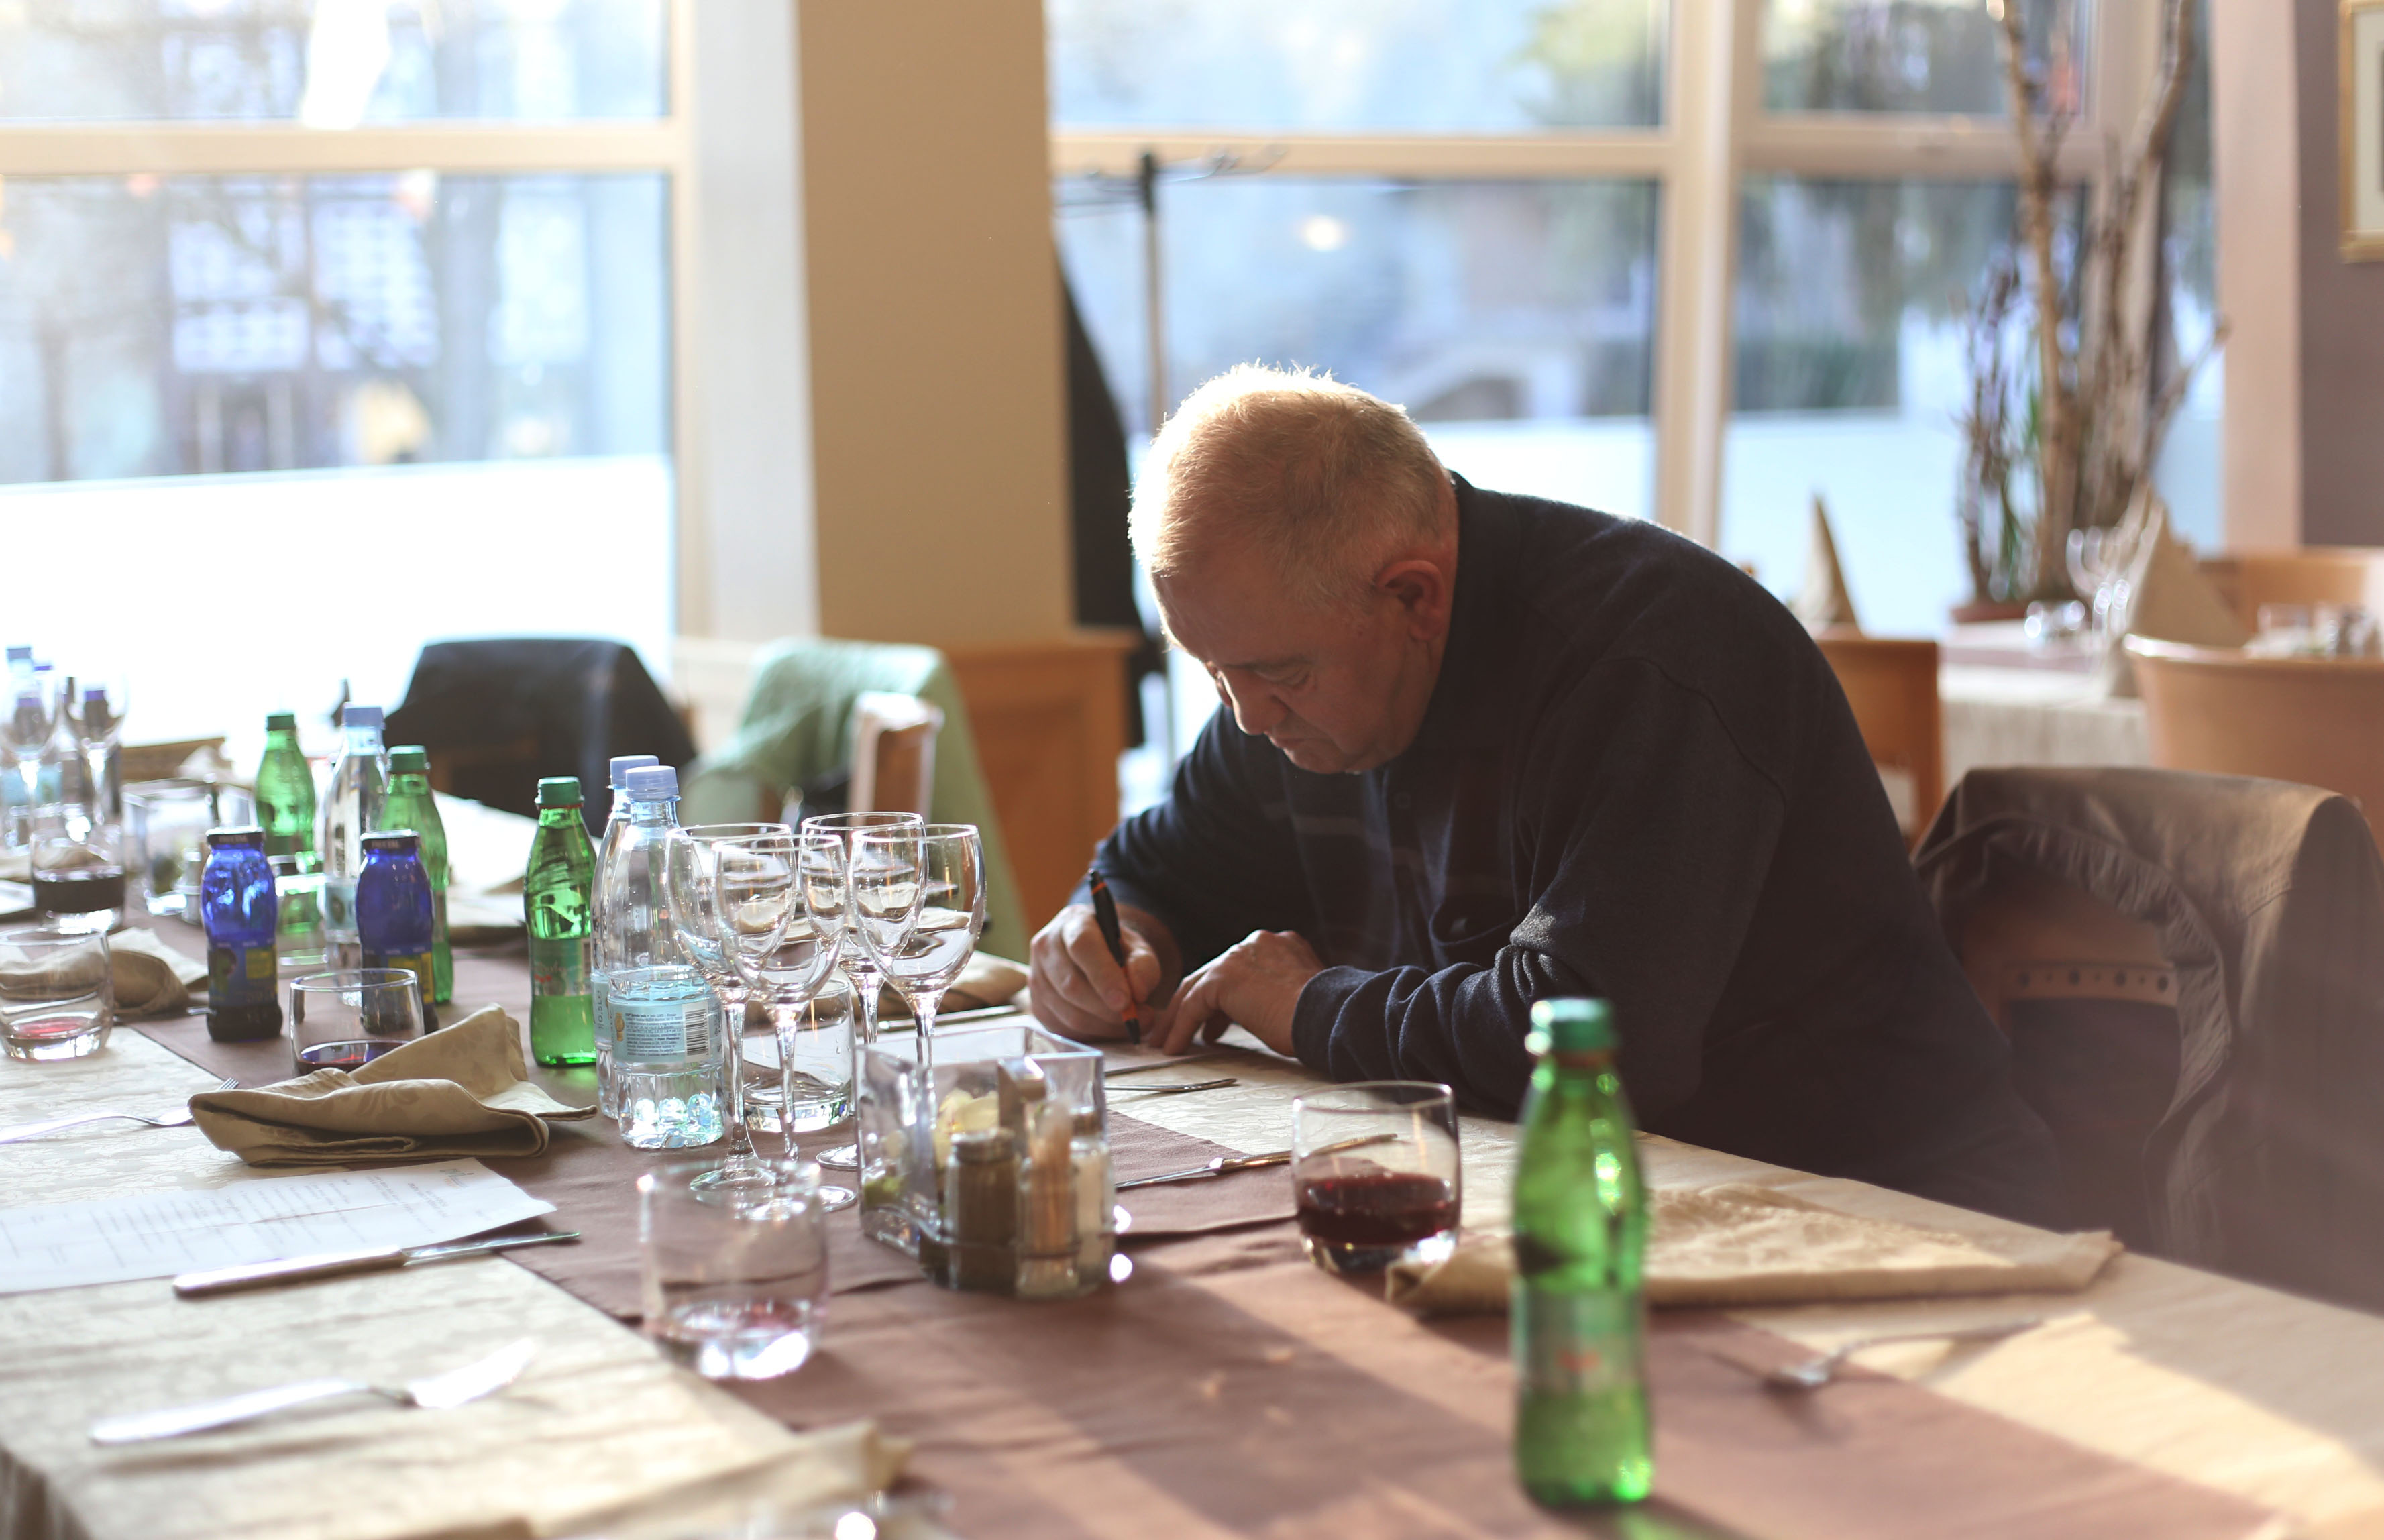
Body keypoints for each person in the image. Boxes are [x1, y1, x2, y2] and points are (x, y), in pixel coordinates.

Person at [1030, 365, 2063, 1225]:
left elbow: (1592, 1047)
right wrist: (1112, 938)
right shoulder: (1294, 665)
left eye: (1276, 675)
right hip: (1599, 1201)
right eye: (1212, 672)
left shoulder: (1651, 660)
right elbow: (1158, 869)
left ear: (1413, 595)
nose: (1247, 718)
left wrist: (1310, 1008)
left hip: (1890, 1217)